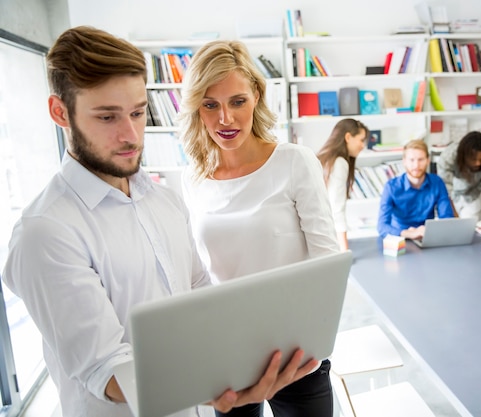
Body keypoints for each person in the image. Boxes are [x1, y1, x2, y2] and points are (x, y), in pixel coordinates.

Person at [1, 26, 317, 417]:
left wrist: (241, 365)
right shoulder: (46, 231)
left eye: (137, 112)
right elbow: (107, 371)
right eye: (107, 117)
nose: (131, 134)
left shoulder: (163, 200)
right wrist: (220, 389)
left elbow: (200, 292)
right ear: (60, 112)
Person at [177, 40, 339, 417]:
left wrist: (313, 337)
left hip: (296, 352)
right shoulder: (193, 179)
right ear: (196, 109)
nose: (225, 120)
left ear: (256, 97)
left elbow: (327, 263)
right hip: (229, 351)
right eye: (210, 105)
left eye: (237, 101)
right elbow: (199, 274)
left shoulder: (294, 162)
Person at [377, 139, 454, 239]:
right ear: (404, 161)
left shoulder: (437, 182)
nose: (416, 165)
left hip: (427, 236)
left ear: (428, 160)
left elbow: (447, 219)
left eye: (421, 159)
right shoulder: (391, 187)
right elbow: (382, 226)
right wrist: (409, 234)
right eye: (412, 160)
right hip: (399, 237)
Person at [316, 118, 369, 250]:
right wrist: (344, 250)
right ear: (348, 137)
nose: (363, 146)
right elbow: (337, 209)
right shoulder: (339, 163)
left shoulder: (324, 158)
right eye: (361, 140)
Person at [436, 131, 481, 221]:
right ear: (464, 156)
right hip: (452, 196)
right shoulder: (449, 155)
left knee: (470, 227)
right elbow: (444, 189)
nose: (478, 163)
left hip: (474, 195)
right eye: (474, 159)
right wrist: (455, 218)